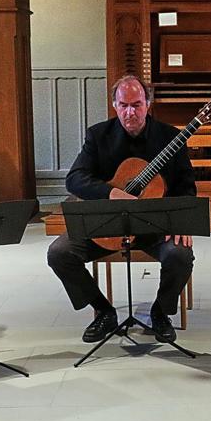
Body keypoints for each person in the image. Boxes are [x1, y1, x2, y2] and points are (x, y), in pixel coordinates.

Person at [47, 75, 195, 344]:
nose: (130, 112)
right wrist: (111, 192)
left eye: (137, 104)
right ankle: (103, 311)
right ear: (114, 105)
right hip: (106, 225)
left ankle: (160, 311)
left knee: (180, 256)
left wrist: (183, 223)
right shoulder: (98, 135)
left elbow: (186, 187)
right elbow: (75, 178)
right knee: (59, 253)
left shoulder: (170, 138)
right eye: (124, 105)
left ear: (148, 104)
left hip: (154, 227)